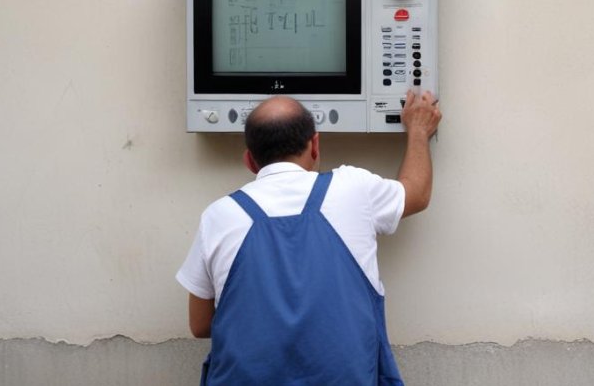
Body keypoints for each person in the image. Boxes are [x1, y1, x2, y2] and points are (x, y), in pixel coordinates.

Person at [176, 90, 442, 385]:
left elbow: (200, 325)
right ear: (315, 146)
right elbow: (416, 193)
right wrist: (418, 130)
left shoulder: (218, 216)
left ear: (249, 160)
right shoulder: (353, 189)